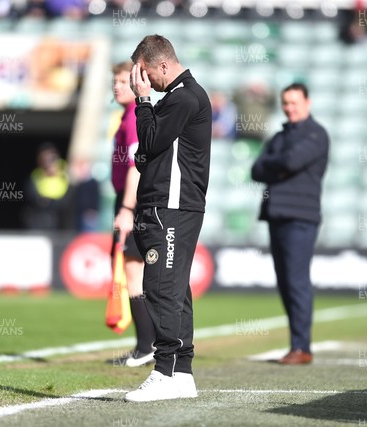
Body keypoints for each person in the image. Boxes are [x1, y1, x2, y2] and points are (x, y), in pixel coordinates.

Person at [124, 35, 212, 402]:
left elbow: (150, 141)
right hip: (168, 206)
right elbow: (148, 153)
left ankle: (164, 371)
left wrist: (142, 101)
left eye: (144, 75)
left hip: (173, 207)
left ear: (163, 65)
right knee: (175, 290)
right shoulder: (177, 98)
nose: (142, 82)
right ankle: (183, 373)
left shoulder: (182, 97)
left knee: (161, 288)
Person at [251, 83, 329, 365]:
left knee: (296, 281)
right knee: (285, 282)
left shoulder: (317, 133)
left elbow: (293, 160)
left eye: (294, 102)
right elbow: (256, 169)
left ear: (307, 102)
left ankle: (301, 347)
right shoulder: (280, 135)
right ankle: (297, 345)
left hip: (301, 217)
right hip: (276, 215)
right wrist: (279, 164)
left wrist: (277, 162)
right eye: (285, 102)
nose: (289, 107)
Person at [109, 60, 156, 367]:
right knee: (135, 273)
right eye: (113, 82)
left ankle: (145, 347)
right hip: (130, 203)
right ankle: (149, 345)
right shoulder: (125, 117)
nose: (116, 86)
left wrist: (127, 208)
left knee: (134, 274)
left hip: (134, 205)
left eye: (122, 81)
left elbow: (135, 168)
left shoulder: (131, 121)